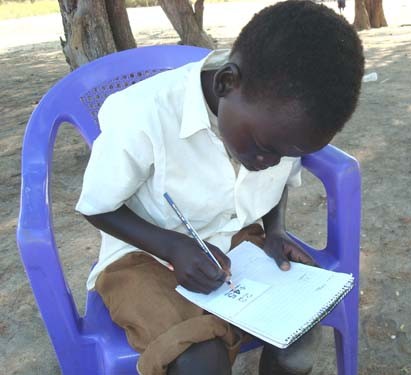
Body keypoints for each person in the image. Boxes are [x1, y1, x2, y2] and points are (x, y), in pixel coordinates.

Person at [76, 1, 364, 374]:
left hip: (236, 244)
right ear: (227, 83)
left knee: (300, 333)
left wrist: (275, 231)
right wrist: (172, 246)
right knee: (200, 361)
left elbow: (277, 183)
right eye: (265, 149)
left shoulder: (274, 127)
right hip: (143, 255)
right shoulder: (143, 114)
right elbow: (96, 206)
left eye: (287, 155)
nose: (271, 163)